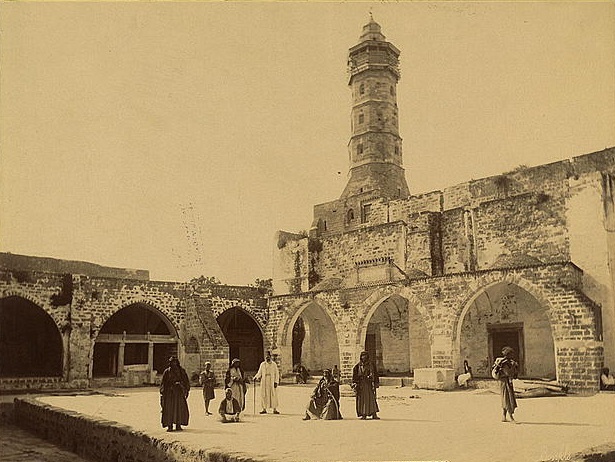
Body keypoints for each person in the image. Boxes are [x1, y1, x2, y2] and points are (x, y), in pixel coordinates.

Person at [160, 356, 190, 432]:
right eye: (172, 362)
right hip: (170, 393)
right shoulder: (167, 372)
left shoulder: (181, 371)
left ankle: (178, 425)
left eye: (175, 362)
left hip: (179, 393)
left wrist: (184, 387)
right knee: (169, 409)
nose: (174, 364)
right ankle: (170, 426)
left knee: (179, 409)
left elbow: (186, 381)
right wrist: (163, 392)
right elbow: (163, 383)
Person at [492, 346, 519, 422]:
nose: (513, 356)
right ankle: (511, 417)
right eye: (511, 354)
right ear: (508, 355)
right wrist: (513, 366)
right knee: (508, 398)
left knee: (505, 398)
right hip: (505, 382)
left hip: (506, 382)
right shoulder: (504, 363)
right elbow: (508, 373)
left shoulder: (507, 362)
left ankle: (504, 417)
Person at [352, 351, 379, 420]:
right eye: (362, 356)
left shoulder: (371, 365)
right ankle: (363, 414)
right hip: (361, 385)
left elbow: (375, 374)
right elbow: (354, 376)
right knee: (362, 400)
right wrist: (354, 383)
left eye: (365, 356)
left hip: (369, 384)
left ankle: (374, 414)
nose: (363, 357)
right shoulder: (358, 366)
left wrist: (375, 383)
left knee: (371, 399)